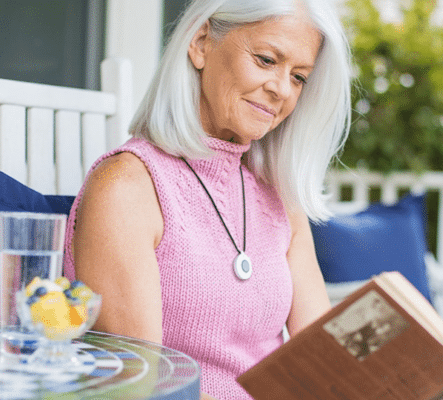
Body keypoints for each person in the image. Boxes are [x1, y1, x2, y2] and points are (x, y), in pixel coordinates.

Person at [62, 0, 352, 398]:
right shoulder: (127, 188)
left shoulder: (279, 198)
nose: (282, 89)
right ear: (200, 43)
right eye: (267, 60)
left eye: (299, 77)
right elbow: (143, 390)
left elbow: (325, 364)